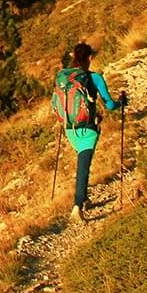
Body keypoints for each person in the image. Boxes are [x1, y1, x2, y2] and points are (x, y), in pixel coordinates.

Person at [52, 41, 126, 221]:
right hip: (88, 129)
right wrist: (121, 102)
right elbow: (109, 105)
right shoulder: (95, 78)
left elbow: (57, 103)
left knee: (83, 161)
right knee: (83, 166)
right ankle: (77, 206)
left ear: (73, 57)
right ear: (90, 58)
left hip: (70, 129)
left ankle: (84, 198)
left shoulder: (65, 78)